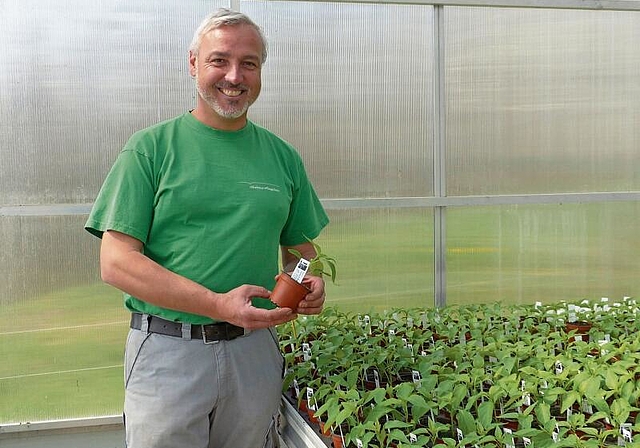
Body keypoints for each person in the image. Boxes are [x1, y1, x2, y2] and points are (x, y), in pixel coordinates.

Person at [85, 8, 329, 448]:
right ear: (193, 63)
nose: (234, 76)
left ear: (260, 71)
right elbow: (117, 263)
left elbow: (301, 251)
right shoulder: (151, 149)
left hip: (253, 351)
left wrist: (307, 283)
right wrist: (218, 304)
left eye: (249, 63)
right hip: (168, 352)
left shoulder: (282, 157)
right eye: (220, 60)